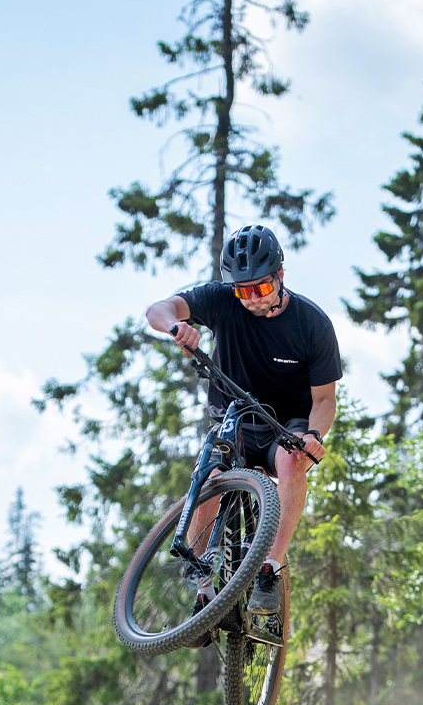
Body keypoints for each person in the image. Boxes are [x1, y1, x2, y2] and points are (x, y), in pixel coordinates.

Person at [143, 224, 339, 615]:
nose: (250, 299)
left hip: (286, 424)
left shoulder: (313, 324)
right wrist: (176, 327)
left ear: (281, 276)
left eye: (260, 289)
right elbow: (159, 309)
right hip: (232, 418)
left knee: (291, 460)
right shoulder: (221, 300)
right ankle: (202, 588)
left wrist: (313, 435)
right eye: (242, 290)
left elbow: (325, 399)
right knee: (210, 480)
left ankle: (270, 566)